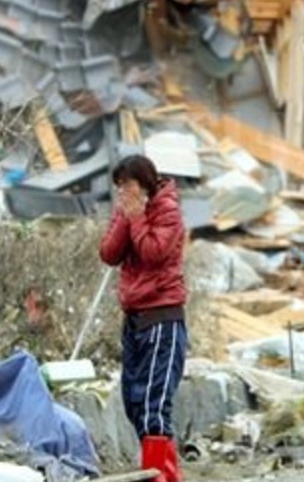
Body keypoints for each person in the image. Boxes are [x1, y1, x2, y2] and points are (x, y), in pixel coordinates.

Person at [99, 155, 187, 482]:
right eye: (120, 186)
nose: (124, 192)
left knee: (154, 402)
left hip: (162, 316)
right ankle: (165, 474)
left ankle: (159, 478)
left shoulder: (168, 211)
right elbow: (109, 253)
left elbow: (153, 253)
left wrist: (137, 218)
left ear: (145, 183)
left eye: (129, 185)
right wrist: (126, 217)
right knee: (133, 402)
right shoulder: (126, 210)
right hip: (134, 317)